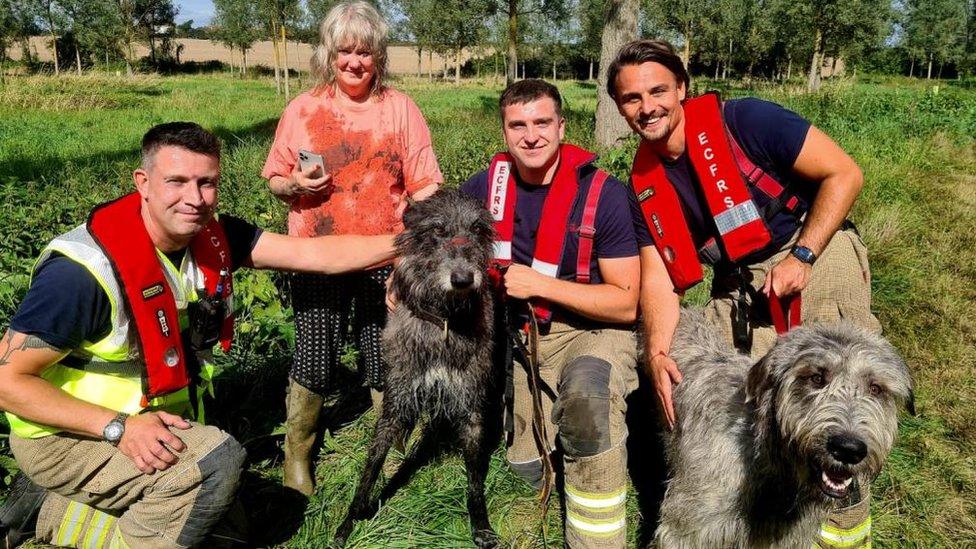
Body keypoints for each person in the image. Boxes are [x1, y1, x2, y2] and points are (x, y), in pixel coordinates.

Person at [0, 122, 399, 549]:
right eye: (177, 181)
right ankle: (63, 492)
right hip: (69, 435)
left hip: (153, 423)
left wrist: (409, 241)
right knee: (214, 466)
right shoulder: (82, 274)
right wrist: (117, 428)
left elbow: (314, 255)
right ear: (144, 183)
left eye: (207, 183)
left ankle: (48, 509)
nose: (194, 199)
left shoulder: (213, 236)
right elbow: (7, 382)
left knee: (233, 530)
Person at [608, 39, 881, 548]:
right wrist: (658, 353)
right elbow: (660, 277)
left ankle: (845, 527)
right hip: (740, 281)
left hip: (811, 249)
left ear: (682, 88)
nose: (648, 107)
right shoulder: (643, 181)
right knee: (763, 408)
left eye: (658, 90)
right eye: (631, 98)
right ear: (619, 107)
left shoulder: (747, 121)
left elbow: (845, 174)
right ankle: (756, 517)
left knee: (839, 394)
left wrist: (802, 256)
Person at [261, 0, 442, 497]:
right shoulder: (304, 108)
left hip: (384, 255)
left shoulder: (400, 109)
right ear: (329, 53)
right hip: (315, 256)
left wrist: (412, 256)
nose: (354, 62)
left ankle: (386, 447)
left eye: (365, 52)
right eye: (345, 51)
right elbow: (274, 178)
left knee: (380, 356)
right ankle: (298, 454)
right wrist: (294, 182)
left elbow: (425, 187)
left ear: (378, 56)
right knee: (315, 357)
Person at [460, 79, 641, 548]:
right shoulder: (483, 188)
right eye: (517, 125)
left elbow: (625, 301)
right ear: (503, 131)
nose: (531, 136)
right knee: (524, 466)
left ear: (562, 127)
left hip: (595, 330)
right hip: (525, 338)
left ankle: (595, 537)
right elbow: (440, 240)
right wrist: (402, 273)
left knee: (587, 400)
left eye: (542, 123)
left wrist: (540, 285)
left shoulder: (605, 195)